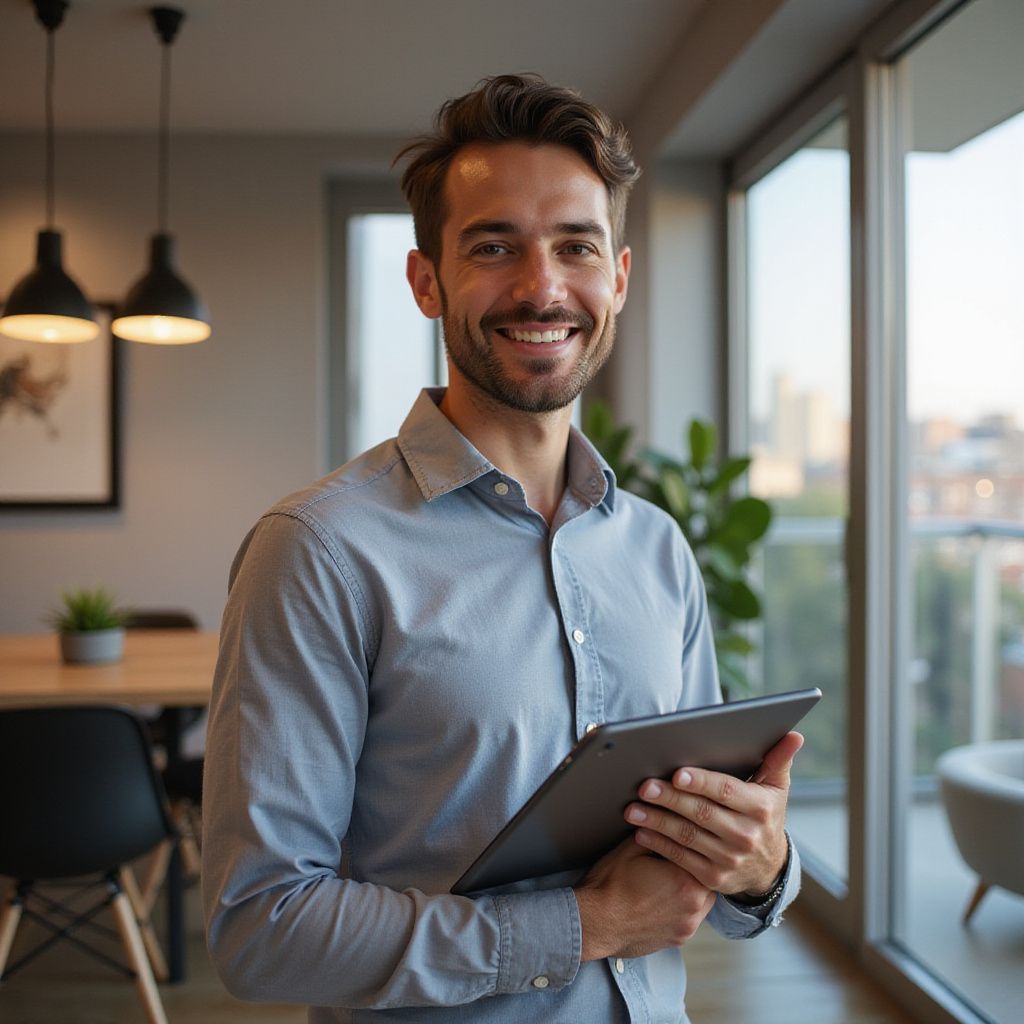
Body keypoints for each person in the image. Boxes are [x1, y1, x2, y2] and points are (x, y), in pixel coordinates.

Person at [203, 73, 804, 1024]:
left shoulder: (655, 547)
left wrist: (761, 865)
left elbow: (708, 870)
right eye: (494, 246)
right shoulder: (317, 551)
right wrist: (585, 927)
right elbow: (261, 927)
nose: (541, 287)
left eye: (576, 246)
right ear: (425, 280)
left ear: (618, 278)